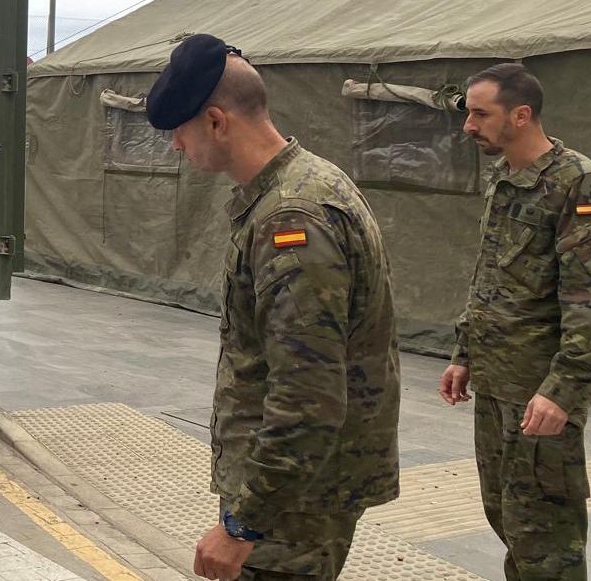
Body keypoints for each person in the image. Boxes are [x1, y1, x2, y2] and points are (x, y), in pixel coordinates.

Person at [145, 34, 400, 581]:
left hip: (293, 507)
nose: (176, 148)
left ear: (216, 121)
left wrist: (244, 525)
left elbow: (307, 394)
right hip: (295, 493)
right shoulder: (302, 185)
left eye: (179, 132)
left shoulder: (293, 218)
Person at [439, 62, 591, 581]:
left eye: (481, 114)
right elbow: (491, 270)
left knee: (546, 540)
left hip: (539, 392)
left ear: (522, 115)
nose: (468, 125)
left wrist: (565, 389)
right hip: (497, 382)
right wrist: (465, 353)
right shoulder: (505, 177)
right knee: (506, 517)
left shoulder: (577, 183)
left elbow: (587, 299)